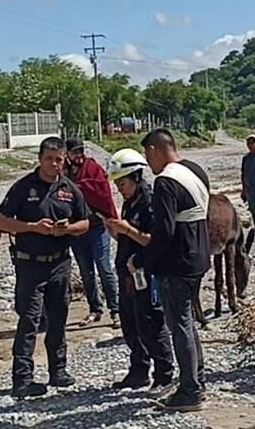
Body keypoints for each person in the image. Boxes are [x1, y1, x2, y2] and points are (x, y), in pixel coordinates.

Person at [0, 137, 90, 398]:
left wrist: (66, 229)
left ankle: (58, 371)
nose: (54, 164)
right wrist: (32, 227)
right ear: (40, 159)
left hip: (60, 262)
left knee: (58, 318)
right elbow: (1, 222)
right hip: (30, 264)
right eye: (49, 159)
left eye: (58, 159)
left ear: (64, 160)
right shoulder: (23, 187)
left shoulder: (70, 189)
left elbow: (85, 224)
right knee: (29, 320)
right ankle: (22, 379)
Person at [141, 128, 212, 412]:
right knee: (188, 324)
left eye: (149, 157)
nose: (150, 165)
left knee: (179, 325)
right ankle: (197, 380)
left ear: (154, 150)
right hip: (199, 254)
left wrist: (147, 259)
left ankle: (190, 390)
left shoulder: (166, 182)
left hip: (178, 261)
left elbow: (164, 230)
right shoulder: (195, 170)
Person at [103, 148, 174, 392]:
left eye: (122, 183)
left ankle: (164, 374)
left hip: (147, 273)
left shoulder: (150, 203)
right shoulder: (130, 202)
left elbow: (155, 241)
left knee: (151, 325)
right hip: (128, 275)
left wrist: (127, 230)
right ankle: (139, 370)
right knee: (131, 325)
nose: (119, 188)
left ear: (135, 177)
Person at [65, 138, 121, 329]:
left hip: (96, 226)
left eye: (81, 151)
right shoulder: (63, 173)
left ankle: (116, 310)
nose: (78, 156)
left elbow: (102, 191)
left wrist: (80, 187)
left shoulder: (92, 168)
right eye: (74, 152)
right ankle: (95, 309)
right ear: (67, 154)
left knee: (104, 267)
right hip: (76, 230)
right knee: (86, 272)